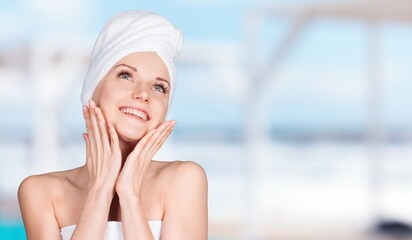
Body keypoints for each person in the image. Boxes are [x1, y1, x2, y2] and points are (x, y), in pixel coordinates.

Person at [17, 10, 208, 240]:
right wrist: (100, 192)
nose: (143, 94)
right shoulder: (40, 193)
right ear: (92, 91)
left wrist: (129, 196)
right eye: (126, 75)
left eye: (159, 87)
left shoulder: (184, 180)